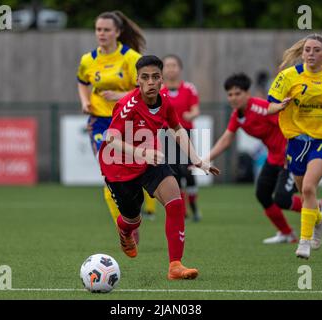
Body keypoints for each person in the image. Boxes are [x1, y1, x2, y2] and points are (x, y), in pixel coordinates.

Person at [98, 55, 220, 280]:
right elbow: (111, 139)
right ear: (138, 80)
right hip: (119, 169)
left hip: (150, 162)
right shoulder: (128, 105)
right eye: (145, 77)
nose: (151, 82)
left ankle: (175, 266)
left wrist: (197, 159)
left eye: (155, 77)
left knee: (175, 202)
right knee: (132, 219)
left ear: (162, 80)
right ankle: (125, 230)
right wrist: (141, 152)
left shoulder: (165, 101)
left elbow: (177, 128)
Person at [205, 73, 322, 244]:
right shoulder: (238, 115)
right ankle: (287, 233)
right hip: (274, 158)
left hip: (289, 157)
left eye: (238, 93)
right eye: (230, 94)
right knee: (262, 194)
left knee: (282, 199)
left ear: (247, 93)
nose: (233, 98)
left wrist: (294, 154)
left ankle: (319, 208)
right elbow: (226, 139)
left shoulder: (261, 108)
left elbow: (288, 125)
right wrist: (205, 159)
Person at [267, 33, 322, 259]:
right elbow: (270, 106)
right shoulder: (288, 76)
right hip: (296, 141)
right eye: (307, 49)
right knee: (305, 193)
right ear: (302, 53)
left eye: (317, 50)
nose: (311, 54)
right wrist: (278, 107)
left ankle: (304, 242)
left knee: (308, 188)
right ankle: (320, 220)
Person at [76, 11, 156, 238]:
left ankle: (134, 216)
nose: (101, 33)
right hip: (100, 122)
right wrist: (85, 101)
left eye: (106, 29)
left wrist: (119, 94)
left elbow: (145, 89)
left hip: (128, 120)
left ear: (118, 32)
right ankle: (126, 229)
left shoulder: (130, 58)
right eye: (98, 29)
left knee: (135, 172)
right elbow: (82, 81)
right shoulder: (88, 60)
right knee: (110, 175)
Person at [161, 54, 201, 222]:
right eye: (167, 65)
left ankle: (195, 209)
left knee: (188, 173)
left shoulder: (189, 88)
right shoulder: (159, 90)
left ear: (180, 68)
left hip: (185, 135)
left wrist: (190, 115)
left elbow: (196, 110)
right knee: (174, 176)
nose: (171, 68)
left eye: (174, 65)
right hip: (168, 137)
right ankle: (181, 213)